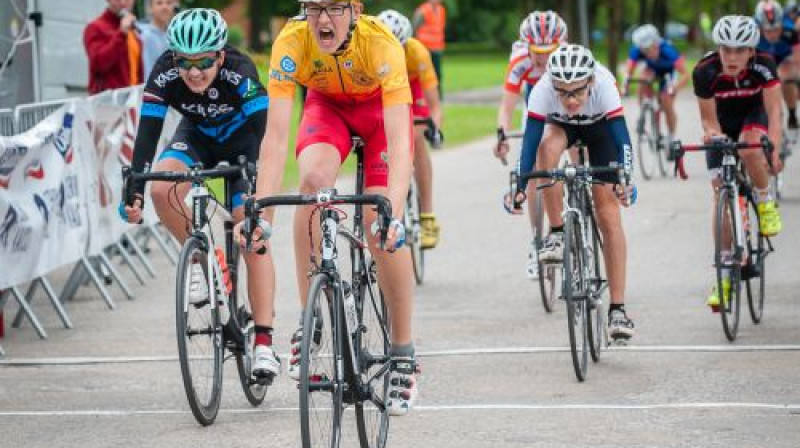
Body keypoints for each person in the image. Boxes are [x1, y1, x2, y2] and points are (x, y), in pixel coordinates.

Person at [242, 0, 418, 416]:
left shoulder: (381, 43)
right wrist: (262, 215)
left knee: (379, 221)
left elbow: (400, 144)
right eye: (314, 7)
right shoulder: (291, 41)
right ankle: (311, 319)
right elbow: (275, 138)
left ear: (355, 11)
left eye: (335, 8)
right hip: (328, 110)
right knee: (313, 184)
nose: (323, 18)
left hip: (379, 118)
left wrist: (393, 205)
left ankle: (404, 352)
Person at [120, 9, 279, 380]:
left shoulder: (240, 72)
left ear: (220, 56)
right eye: (184, 62)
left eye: (204, 62)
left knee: (252, 236)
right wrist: (135, 190)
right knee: (163, 188)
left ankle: (265, 344)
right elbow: (147, 132)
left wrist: (256, 193)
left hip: (244, 148)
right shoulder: (163, 71)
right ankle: (200, 261)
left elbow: (265, 133)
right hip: (197, 139)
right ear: (172, 56)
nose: (193, 72)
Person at [507, 44, 637, 344]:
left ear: (590, 82)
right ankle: (557, 231)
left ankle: (618, 309)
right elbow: (529, 142)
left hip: (600, 130)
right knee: (546, 150)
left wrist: (625, 176)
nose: (571, 99)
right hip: (561, 128)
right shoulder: (541, 89)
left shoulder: (604, 83)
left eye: (577, 91)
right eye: (563, 92)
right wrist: (519, 184)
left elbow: (622, 138)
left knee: (607, 211)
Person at [692, 15, 783, 309]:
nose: (732, 57)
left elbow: (774, 111)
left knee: (750, 148)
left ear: (751, 51)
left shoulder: (764, 67)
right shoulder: (705, 71)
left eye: (739, 50)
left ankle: (765, 201)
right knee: (720, 193)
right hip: (721, 123)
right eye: (726, 49)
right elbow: (708, 120)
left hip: (753, 117)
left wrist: (775, 151)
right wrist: (713, 136)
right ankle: (725, 275)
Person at [494, 10, 567, 280]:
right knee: (536, 167)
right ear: (527, 46)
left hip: (566, 107)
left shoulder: (569, 56)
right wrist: (501, 134)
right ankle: (537, 241)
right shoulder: (520, 62)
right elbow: (507, 106)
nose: (545, 58)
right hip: (534, 107)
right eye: (538, 51)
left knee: (575, 155)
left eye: (551, 50)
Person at [378, 9, 444, 249]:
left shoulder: (417, 53)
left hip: (411, 85)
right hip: (382, 86)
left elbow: (434, 103)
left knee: (416, 135)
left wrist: (434, 127)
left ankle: (427, 217)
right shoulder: (371, 53)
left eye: (400, 48)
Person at [622, 24, 689, 150]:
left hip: (668, 74)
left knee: (666, 100)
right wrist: (624, 85)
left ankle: (671, 136)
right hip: (652, 70)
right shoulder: (637, 50)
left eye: (650, 48)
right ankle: (644, 109)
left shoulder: (668, 51)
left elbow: (685, 75)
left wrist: (675, 87)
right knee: (643, 78)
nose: (647, 53)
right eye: (644, 50)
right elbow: (629, 71)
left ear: (657, 43)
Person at [755, 0, 800, 129]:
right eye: (768, 30)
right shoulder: (752, 32)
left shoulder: (790, 30)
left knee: (786, 75)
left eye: (776, 29)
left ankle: (792, 113)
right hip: (764, 60)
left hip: (785, 59)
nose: (773, 34)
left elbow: (798, 60)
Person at [83, 0, 143, 94]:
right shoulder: (95, 28)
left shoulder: (134, 35)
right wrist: (121, 34)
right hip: (105, 103)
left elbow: (138, 76)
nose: (123, 3)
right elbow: (98, 63)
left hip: (132, 102)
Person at [413, 0, 446, 98]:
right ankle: (422, 96)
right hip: (425, 48)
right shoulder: (422, 10)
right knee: (423, 73)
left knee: (437, 73)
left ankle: (438, 96)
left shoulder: (441, 10)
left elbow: (441, 26)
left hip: (437, 47)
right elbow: (415, 28)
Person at [140, 0, 178, 79]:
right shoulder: (145, 36)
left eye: (169, 3)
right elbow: (148, 71)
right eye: (159, 3)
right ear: (150, 8)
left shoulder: (173, 35)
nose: (165, 7)